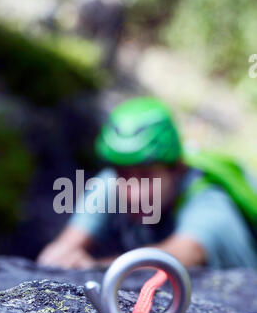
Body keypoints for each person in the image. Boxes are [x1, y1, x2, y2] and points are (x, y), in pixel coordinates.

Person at [37, 97, 257, 269]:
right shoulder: (110, 182)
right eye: (123, 174)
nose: (132, 192)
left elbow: (183, 252)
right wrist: (59, 258)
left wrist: (94, 268)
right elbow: (66, 245)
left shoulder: (210, 203)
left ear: (177, 169)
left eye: (146, 176)